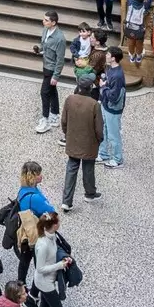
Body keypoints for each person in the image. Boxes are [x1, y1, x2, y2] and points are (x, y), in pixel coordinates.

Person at [59, 78, 102, 209]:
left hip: (73, 140)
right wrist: (99, 140)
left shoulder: (69, 99)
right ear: (90, 89)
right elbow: (99, 128)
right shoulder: (94, 104)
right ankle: (89, 193)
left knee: (71, 168)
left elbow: (64, 121)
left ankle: (66, 201)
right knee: (88, 168)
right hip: (89, 142)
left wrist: (67, 134)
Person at [98, 45, 129, 168]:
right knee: (104, 129)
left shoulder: (117, 75)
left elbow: (113, 96)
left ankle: (118, 159)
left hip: (113, 108)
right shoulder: (110, 69)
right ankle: (103, 153)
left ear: (113, 58)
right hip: (106, 105)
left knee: (113, 134)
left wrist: (103, 87)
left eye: (108, 55)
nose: (106, 56)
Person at [36, 11, 65, 131]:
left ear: (53, 22)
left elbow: (60, 59)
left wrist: (56, 76)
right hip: (46, 65)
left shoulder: (60, 39)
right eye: (44, 19)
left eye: (46, 20)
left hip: (52, 69)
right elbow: (44, 45)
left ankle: (45, 118)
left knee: (44, 92)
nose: (44, 22)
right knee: (52, 91)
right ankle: (55, 114)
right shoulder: (45, 30)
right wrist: (39, 50)